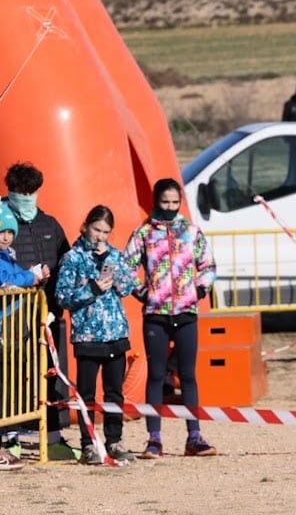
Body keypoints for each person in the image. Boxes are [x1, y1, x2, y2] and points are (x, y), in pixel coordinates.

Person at [123, 178, 218, 459]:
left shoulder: (191, 231)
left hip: (186, 311)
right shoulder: (143, 234)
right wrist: (142, 292)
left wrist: (200, 288)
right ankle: (154, 439)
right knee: (155, 375)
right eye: (165, 202)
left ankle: (194, 436)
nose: (170, 207)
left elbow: (208, 265)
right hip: (156, 313)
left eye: (175, 202)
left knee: (187, 375)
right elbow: (124, 267)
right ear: (156, 201)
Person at [4, 162, 77, 460]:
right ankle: (9, 437)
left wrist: (56, 307)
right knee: (10, 375)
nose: (26, 198)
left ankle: (53, 436)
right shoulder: (3, 224)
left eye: (31, 193)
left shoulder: (50, 225)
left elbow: (67, 265)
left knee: (51, 374)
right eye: (20, 193)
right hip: (9, 319)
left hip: (47, 318)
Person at [54, 205, 135, 465]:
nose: (100, 236)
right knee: (86, 394)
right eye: (96, 229)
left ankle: (115, 440)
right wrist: (92, 289)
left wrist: (111, 262)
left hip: (115, 333)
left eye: (106, 232)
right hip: (88, 336)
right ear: (86, 226)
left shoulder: (113, 255)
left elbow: (126, 288)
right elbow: (63, 297)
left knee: (115, 393)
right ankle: (89, 443)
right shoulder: (73, 257)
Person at [0, 206, 50, 470]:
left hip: (13, 329)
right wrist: (31, 276)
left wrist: (33, 273)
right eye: (1, 231)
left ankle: (10, 436)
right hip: (4, 327)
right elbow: (5, 280)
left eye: (10, 231)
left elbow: (14, 275)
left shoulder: (8, 255)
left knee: (12, 382)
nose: (6, 236)